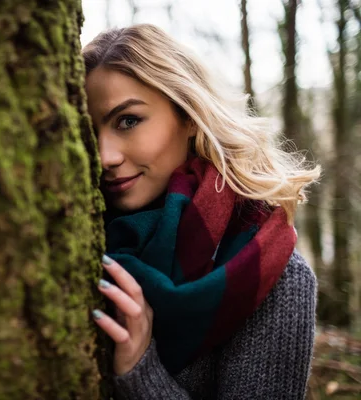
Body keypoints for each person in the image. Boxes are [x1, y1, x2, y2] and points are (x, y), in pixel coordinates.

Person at [83, 24, 321, 399]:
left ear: (189, 116)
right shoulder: (82, 239)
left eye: (128, 121)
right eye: (88, 132)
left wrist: (140, 372)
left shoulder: (270, 271)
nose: (104, 157)